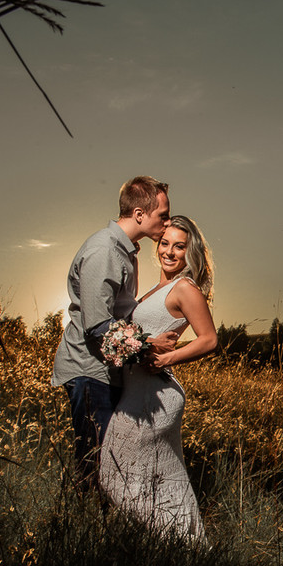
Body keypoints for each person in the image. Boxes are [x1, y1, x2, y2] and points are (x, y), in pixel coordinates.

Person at [51, 176, 178, 492]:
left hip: (106, 371)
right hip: (89, 371)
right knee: (96, 463)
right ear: (139, 214)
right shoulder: (104, 250)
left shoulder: (124, 251)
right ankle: (83, 519)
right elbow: (97, 327)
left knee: (109, 462)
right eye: (163, 216)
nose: (167, 223)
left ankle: (96, 516)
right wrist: (149, 345)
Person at [99, 215, 218, 538]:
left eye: (179, 247)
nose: (169, 252)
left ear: (190, 251)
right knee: (151, 476)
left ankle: (173, 542)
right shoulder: (158, 287)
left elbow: (209, 339)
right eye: (165, 244)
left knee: (117, 471)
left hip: (156, 395)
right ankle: (181, 544)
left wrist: (167, 357)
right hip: (138, 391)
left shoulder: (185, 288)